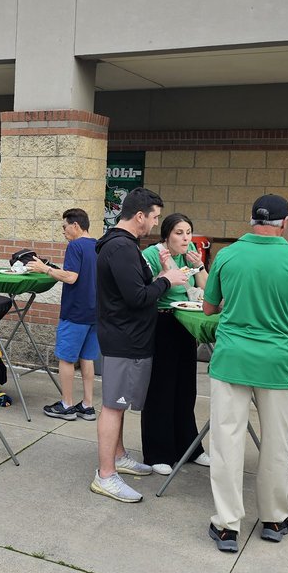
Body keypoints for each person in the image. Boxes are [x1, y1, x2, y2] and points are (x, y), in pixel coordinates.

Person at [202, 194, 288, 553]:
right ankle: (273, 517)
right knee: (277, 444)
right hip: (277, 362)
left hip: (232, 358)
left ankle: (227, 525)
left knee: (226, 443)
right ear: (285, 223)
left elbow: (208, 307)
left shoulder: (228, 255)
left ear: (251, 220)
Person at [91, 187, 187, 503]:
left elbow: (137, 288)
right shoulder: (120, 248)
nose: (155, 223)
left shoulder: (127, 246)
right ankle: (106, 475)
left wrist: (160, 274)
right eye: (155, 216)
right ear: (140, 215)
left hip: (128, 338)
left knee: (118, 405)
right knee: (113, 406)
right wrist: (167, 281)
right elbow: (136, 297)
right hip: (123, 339)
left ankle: (118, 456)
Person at [140, 212, 209, 473]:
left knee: (185, 388)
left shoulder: (190, 252)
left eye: (188, 232)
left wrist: (200, 266)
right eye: (179, 233)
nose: (185, 238)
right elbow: (145, 291)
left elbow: (206, 288)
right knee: (161, 388)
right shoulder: (152, 255)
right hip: (162, 322)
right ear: (166, 235)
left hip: (187, 321)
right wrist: (165, 273)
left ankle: (189, 447)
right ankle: (158, 452)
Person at [27, 208, 99, 421]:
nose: (63, 231)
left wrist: (44, 269)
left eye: (64, 227)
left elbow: (71, 277)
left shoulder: (75, 246)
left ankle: (67, 404)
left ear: (75, 225)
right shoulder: (97, 246)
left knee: (66, 359)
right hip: (95, 312)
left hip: (75, 312)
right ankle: (87, 405)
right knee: (87, 358)